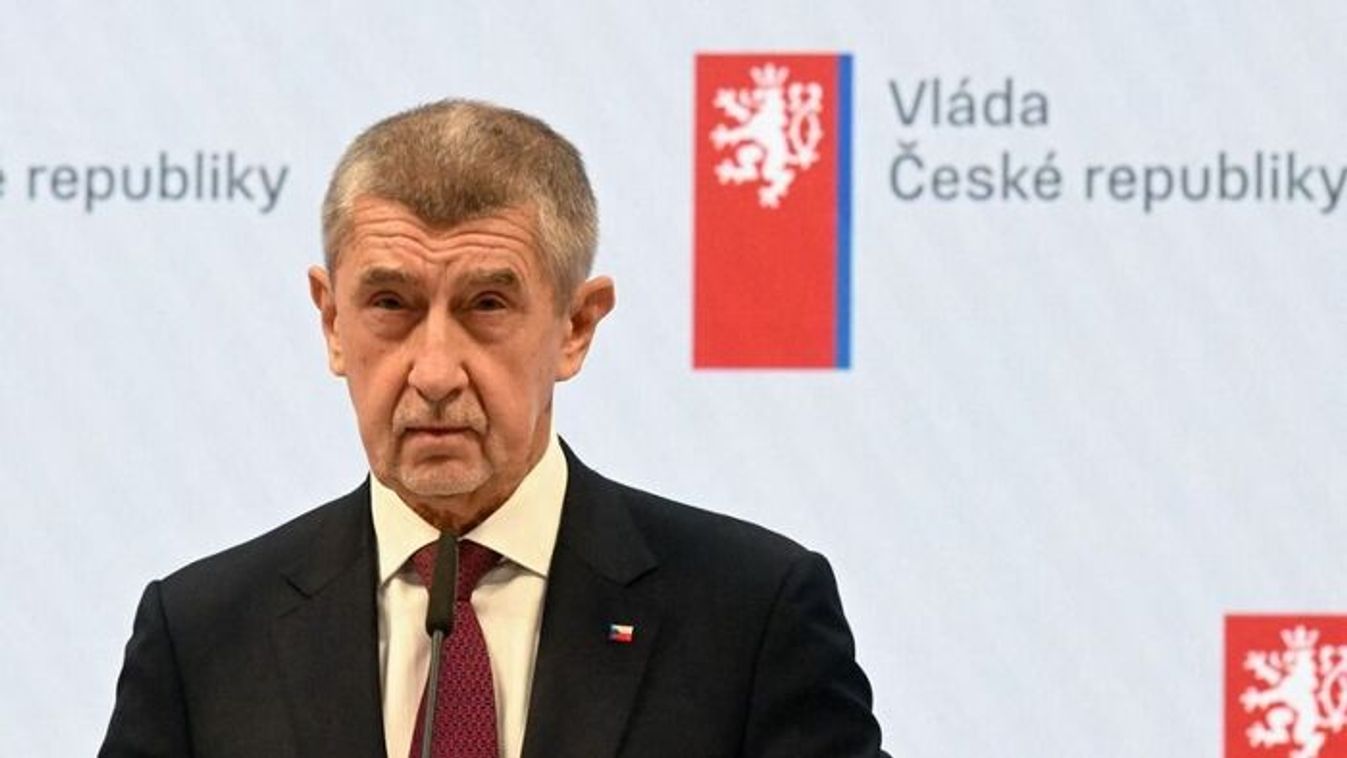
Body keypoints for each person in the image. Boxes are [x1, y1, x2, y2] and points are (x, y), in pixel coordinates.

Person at [99, 99, 887, 758]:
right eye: (390, 305)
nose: (435, 372)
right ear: (332, 322)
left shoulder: (750, 614)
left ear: (576, 326)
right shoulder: (202, 635)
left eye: (486, 305)